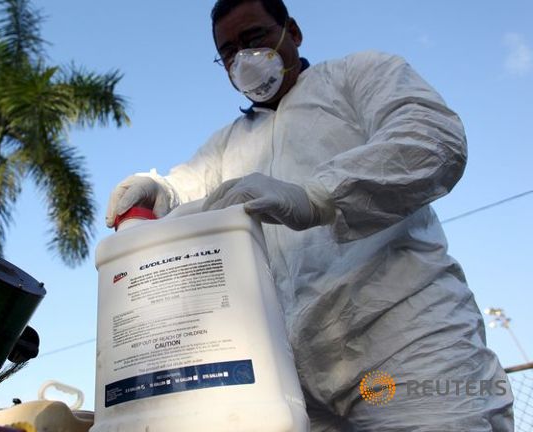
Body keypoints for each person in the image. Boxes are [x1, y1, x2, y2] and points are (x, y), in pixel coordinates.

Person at [105, 0, 515, 430]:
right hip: (292, 375)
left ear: (293, 32)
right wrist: (156, 192)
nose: (242, 59)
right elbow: (185, 190)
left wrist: (318, 196)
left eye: (254, 38)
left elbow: (431, 140)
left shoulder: (357, 75)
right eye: (227, 52)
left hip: (404, 339)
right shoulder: (228, 144)